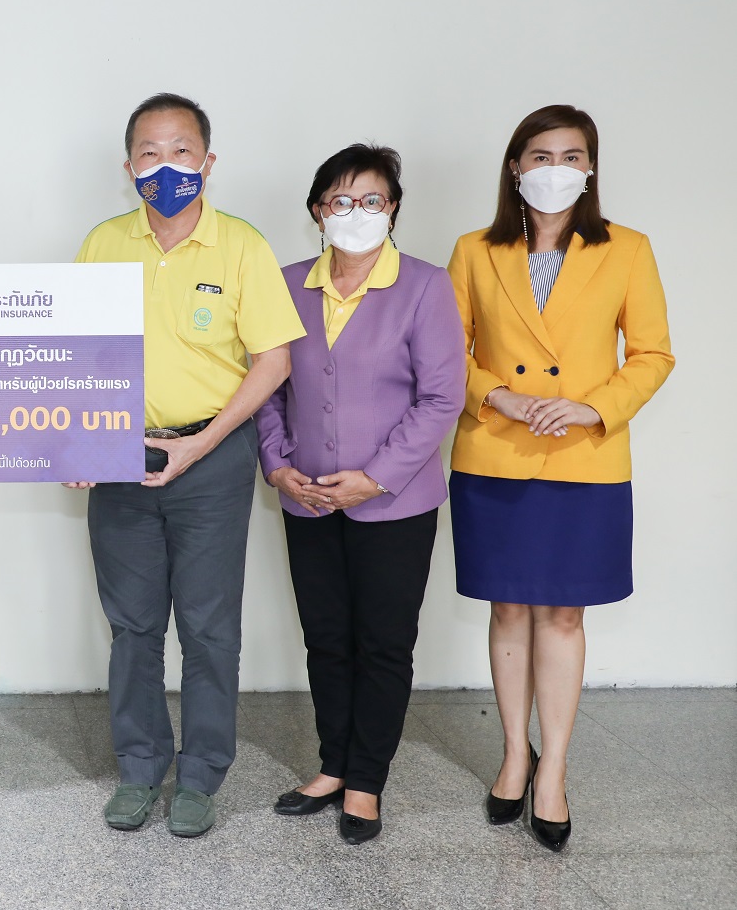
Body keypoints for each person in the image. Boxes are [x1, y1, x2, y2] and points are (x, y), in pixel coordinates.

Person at [68, 93, 304, 837]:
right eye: (149, 152)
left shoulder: (242, 246)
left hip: (213, 456)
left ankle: (200, 775)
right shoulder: (103, 243)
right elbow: (72, 354)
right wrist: (74, 440)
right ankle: (140, 768)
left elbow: (273, 362)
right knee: (133, 625)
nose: (165, 166)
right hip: (120, 456)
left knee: (208, 627)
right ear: (128, 166)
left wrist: (202, 444)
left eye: (180, 151)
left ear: (207, 161)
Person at [447, 105, 674, 852]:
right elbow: (448, 351)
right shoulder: (475, 250)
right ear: (515, 166)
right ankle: (515, 755)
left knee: (566, 616)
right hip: (497, 453)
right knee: (509, 608)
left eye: (572, 156)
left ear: (591, 167)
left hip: (584, 457)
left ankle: (555, 770)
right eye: (540, 155)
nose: (556, 168)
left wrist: (590, 407)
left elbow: (653, 353)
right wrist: (499, 396)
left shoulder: (627, 248)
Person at [255, 144, 465, 844]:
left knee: (382, 644)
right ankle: (332, 765)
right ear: (318, 211)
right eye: (340, 200)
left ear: (393, 209)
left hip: (393, 503)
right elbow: (266, 389)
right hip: (307, 496)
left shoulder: (426, 286)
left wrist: (375, 477)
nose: (356, 212)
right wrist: (278, 466)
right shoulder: (286, 285)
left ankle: (366, 780)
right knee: (325, 638)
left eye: (372, 200)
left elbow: (441, 398)